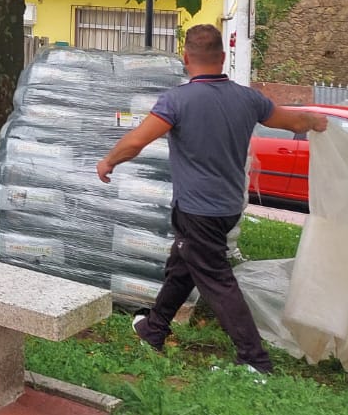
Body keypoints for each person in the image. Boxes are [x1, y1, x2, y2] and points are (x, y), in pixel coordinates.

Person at [95, 23, 326, 373]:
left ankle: (254, 360)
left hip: (197, 209)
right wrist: (315, 120)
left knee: (216, 280)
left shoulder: (177, 100)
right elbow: (293, 122)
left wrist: (108, 160)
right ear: (222, 58)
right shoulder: (249, 99)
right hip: (230, 206)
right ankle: (153, 329)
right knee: (182, 265)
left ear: (186, 58)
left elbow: (136, 141)